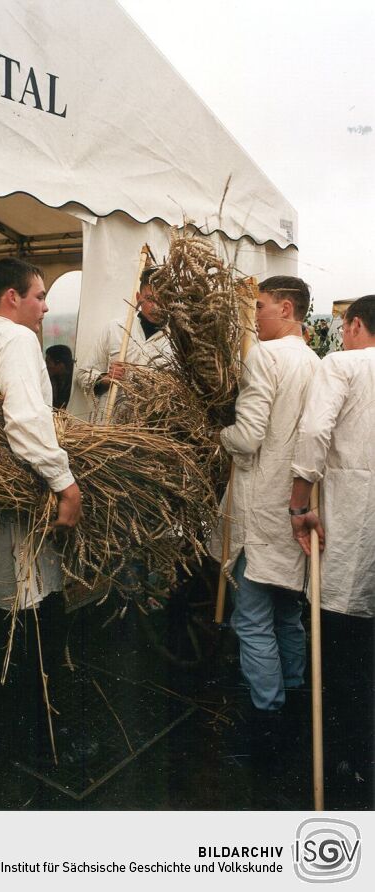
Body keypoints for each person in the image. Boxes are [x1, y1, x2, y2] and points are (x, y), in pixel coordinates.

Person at [0, 257, 85, 761]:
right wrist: (66, 483)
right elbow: (26, 422)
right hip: (19, 513)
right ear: (12, 297)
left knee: (3, 613)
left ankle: (2, 736)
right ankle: (43, 742)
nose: (45, 305)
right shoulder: (16, 340)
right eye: (39, 295)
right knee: (34, 617)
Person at [209, 276, 320, 732]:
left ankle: (265, 711)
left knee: (253, 618)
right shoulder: (317, 363)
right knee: (287, 613)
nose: (254, 315)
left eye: (261, 306)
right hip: (296, 510)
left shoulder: (265, 357)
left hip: (260, 508)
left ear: (287, 309)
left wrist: (219, 433)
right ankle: (292, 693)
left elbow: (249, 437)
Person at [290, 294, 375, 793]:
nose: (341, 334)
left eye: (344, 326)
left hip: (355, 522)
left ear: (356, 324)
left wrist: (300, 506)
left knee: (343, 649)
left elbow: (315, 432)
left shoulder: (342, 365)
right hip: (354, 511)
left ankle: (345, 763)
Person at [75, 266, 172, 420]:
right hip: (112, 426)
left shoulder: (175, 341)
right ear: (138, 297)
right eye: (150, 299)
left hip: (154, 430)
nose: (156, 307)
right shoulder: (115, 329)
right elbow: (83, 374)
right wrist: (107, 378)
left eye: (162, 300)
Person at [45, 344, 74, 409]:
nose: (46, 366)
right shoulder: (52, 379)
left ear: (60, 364)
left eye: (48, 362)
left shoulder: (73, 380)